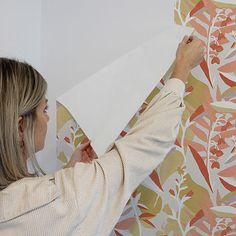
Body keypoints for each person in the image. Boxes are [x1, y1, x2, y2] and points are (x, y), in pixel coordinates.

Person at [0, 35, 205, 236]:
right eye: (44, 110)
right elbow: (146, 144)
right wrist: (182, 69)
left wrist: (70, 172)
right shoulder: (54, 201)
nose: (48, 119)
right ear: (21, 127)